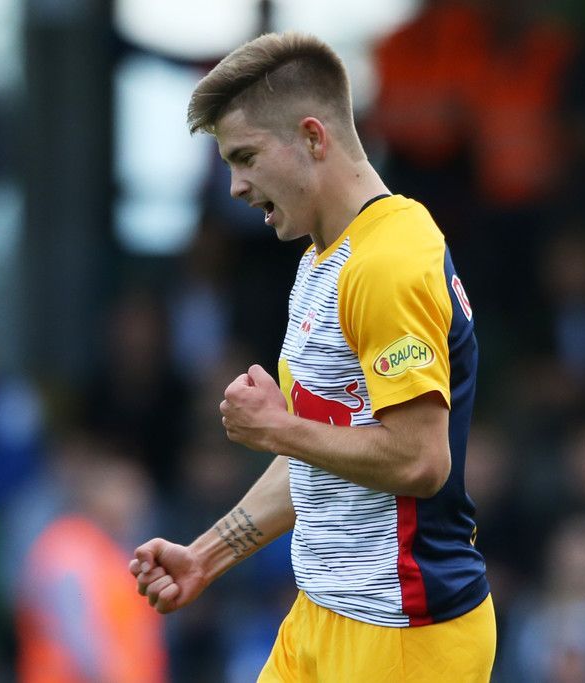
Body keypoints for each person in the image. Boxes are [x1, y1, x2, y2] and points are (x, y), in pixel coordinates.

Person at [130, 32, 495, 681]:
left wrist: (277, 427)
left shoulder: (389, 262)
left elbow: (421, 459)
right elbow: (322, 457)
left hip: (404, 633)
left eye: (245, 157)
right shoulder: (321, 260)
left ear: (312, 137)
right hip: (321, 615)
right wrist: (206, 556)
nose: (235, 186)